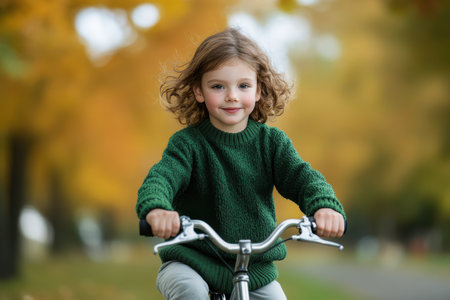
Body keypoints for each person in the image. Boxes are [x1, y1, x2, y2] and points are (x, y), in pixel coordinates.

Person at [136, 28, 346, 300]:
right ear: (199, 91)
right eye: (218, 86)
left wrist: (325, 206)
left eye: (243, 86)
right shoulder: (187, 144)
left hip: (253, 269)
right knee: (190, 291)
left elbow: (303, 177)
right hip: (191, 262)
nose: (232, 96)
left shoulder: (271, 143)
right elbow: (161, 178)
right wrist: (158, 209)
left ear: (259, 90)